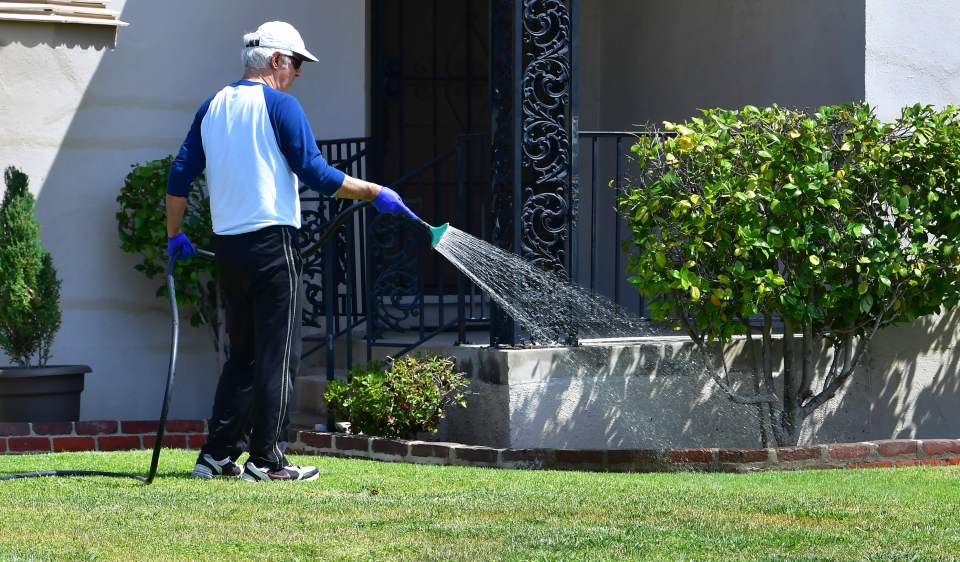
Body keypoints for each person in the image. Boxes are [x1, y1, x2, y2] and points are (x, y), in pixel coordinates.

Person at [165, 21, 417, 482]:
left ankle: (217, 456)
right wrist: (374, 190)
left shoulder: (213, 106)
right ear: (277, 61)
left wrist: (174, 235)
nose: (299, 73)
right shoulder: (281, 105)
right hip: (271, 244)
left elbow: (180, 174)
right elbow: (316, 174)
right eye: (296, 63)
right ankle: (267, 461)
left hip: (228, 248)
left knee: (243, 354)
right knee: (279, 355)